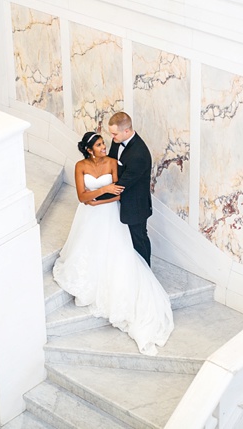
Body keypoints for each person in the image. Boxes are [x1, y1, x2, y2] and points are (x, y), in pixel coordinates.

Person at [52, 131, 173, 356]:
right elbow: (81, 196)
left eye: (103, 143)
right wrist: (101, 191)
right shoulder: (80, 166)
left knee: (117, 251)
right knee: (88, 248)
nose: (104, 147)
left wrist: (99, 196)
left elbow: (119, 193)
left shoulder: (111, 163)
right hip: (89, 215)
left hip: (107, 212)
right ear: (89, 150)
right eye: (99, 145)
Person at [100, 112, 153, 266]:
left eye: (114, 133)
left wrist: (96, 195)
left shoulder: (139, 155)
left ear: (127, 131)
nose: (112, 137)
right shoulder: (118, 140)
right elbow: (111, 161)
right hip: (120, 200)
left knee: (138, 239)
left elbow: (120, 186)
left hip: (135, 204)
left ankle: (146, 272)